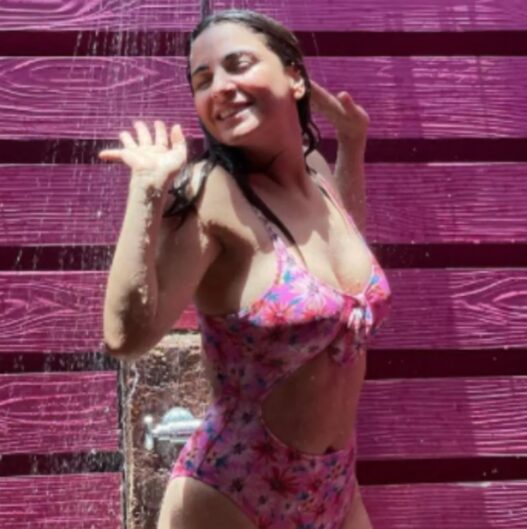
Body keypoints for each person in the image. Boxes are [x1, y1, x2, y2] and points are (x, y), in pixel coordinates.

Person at [99, 9, 391, 529]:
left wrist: (352, 145)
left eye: (238, 65)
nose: (221, 87)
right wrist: (147, 191)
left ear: (295, 77)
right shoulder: (210, 194)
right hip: (234, 494)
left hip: (336, 486)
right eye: (203, 80)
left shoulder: (318, 174)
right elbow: (126, 338)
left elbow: (342, 258)